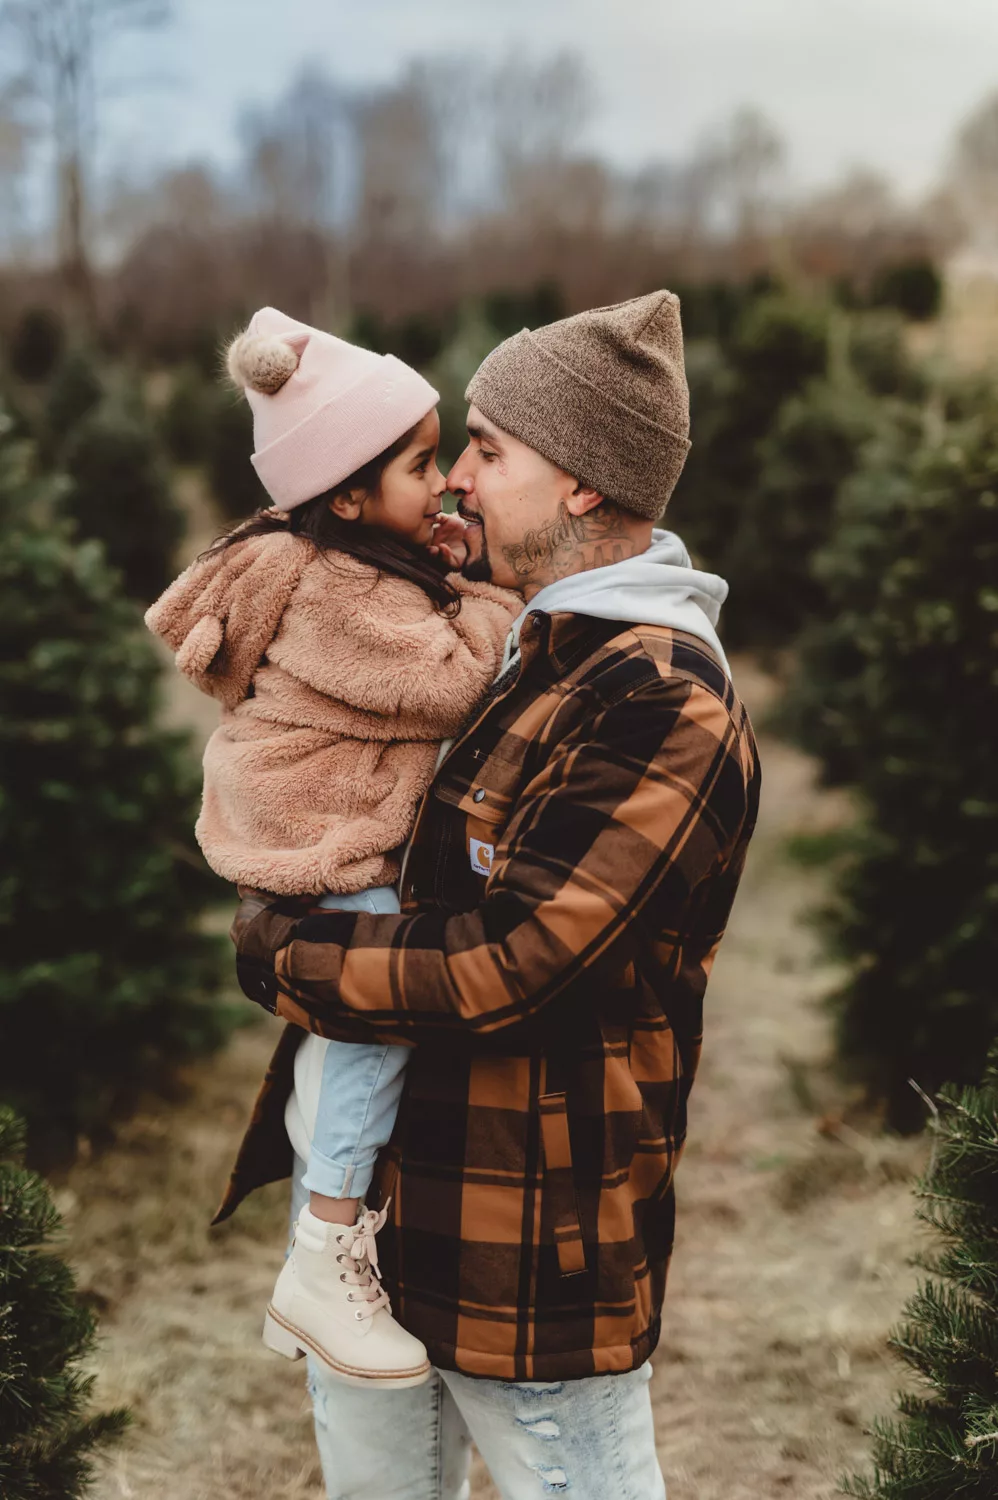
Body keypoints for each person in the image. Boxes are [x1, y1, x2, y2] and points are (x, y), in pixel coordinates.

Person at [224, 292, 762, 1500]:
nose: (456, 481)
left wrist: (281, 958)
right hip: (382, 1231)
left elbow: (505, 964)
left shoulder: (660, 702)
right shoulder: (529, 646)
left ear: (578, 482)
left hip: (528, 1253)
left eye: (485, 448)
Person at [146, 306, 521, 1390]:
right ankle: (323, 1249)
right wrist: (494, 589)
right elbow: (450, 684)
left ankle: (329, 1218)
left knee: (358, 1018)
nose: (445, 479)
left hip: (297, 808)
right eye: (417, 464)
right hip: (320, 828)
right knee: (376, 1012)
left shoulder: (346, 557)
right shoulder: (336, 583)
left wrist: (441, 567)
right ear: (348, 494)